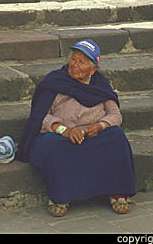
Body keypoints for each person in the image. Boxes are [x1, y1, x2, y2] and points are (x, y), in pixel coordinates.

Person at [17, 39, 136, 217]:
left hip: (92, 134)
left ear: (93, 69)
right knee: (49, 145)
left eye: (81, 62)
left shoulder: (100, 86)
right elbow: (39, 116)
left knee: (116, 137)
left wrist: (100, 125)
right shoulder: (54, 82)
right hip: (61, 135)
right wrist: (63, 130)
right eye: (73, 59)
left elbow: (115, 116)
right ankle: (60, 197)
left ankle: (118, 192)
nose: (75, 65)